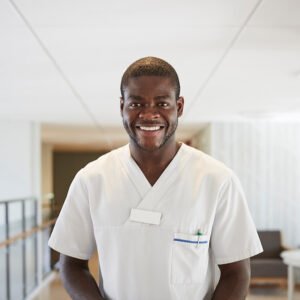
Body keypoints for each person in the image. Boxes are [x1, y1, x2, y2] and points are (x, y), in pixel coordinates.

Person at [49, 56, 263, 300]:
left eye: (161, 104)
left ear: (179, 107)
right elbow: (71, 266)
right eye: (136, 104)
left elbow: (236, 273)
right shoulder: (91, 180)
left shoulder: (217, 180)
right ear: (122, 107)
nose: (148, 115)